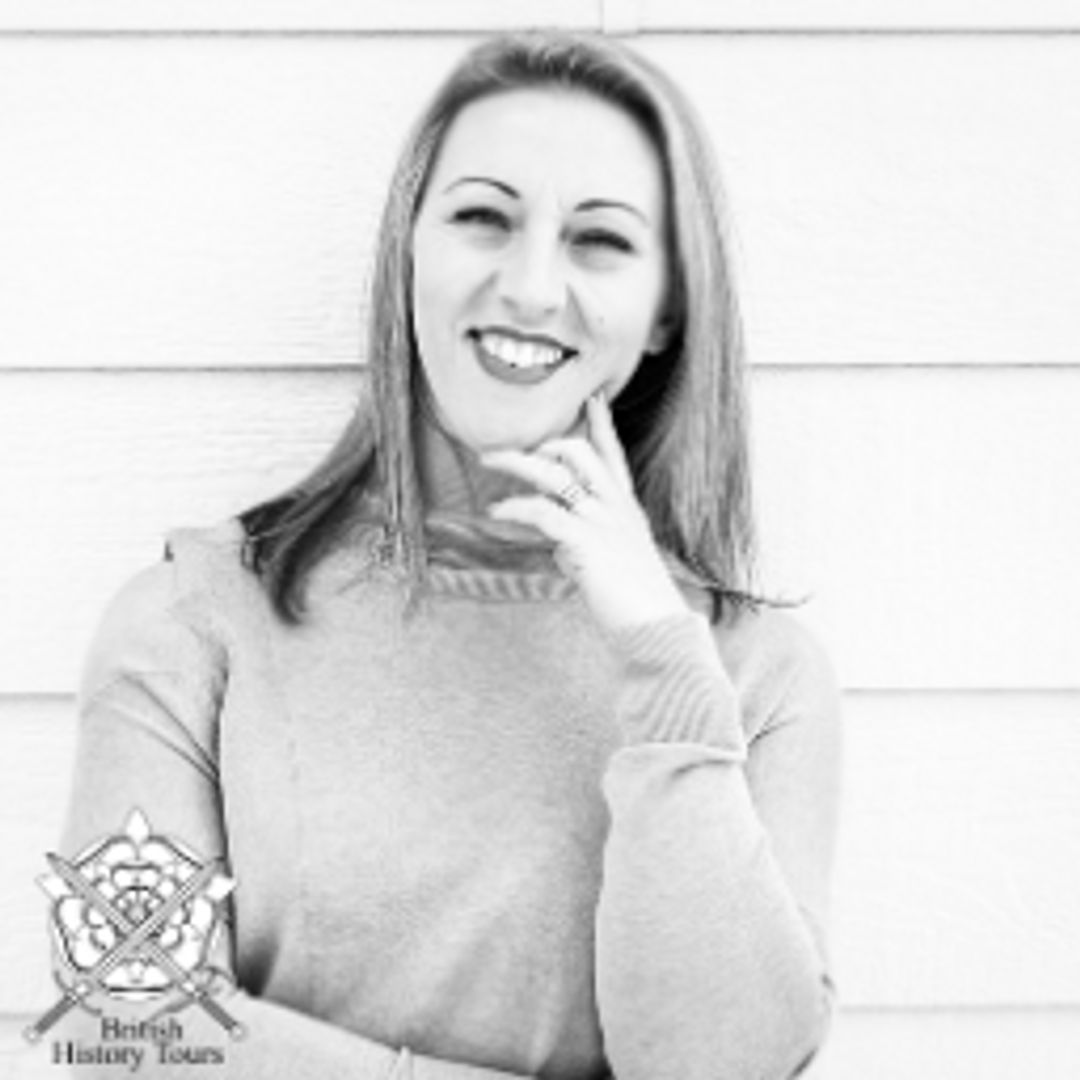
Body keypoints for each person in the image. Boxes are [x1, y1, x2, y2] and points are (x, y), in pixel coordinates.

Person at [58, 30, 842, 1080]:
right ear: (411, 253)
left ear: (668, 310)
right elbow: (125, 1027)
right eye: (483, 217)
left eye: (599, 239)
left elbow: (730, 1067)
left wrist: (662, 659)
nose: (530, 285)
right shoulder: (189, 621)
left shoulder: (757, 678)